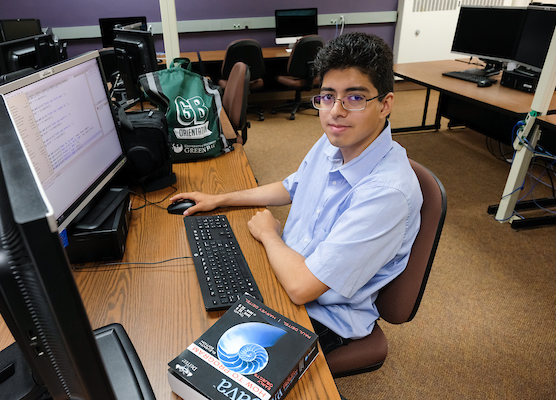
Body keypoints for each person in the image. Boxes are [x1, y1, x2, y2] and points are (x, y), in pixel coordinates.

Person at [170, 32, 423, 354]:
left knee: (205, 353)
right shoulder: (337, 140)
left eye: (355, 98)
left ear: (385, 104)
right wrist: (221, 198)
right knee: (190, 306)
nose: (336, 111)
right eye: (328, 96)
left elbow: (304, 288)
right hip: (286, 271)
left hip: (321, 315)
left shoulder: (386, 193)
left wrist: (269, 234)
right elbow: (292, 187)